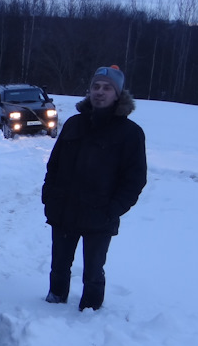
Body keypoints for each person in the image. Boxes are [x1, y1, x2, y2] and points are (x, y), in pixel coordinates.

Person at [42, 65, 147, 310]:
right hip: (64, 212)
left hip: (100, 217)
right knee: (59, 265)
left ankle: (89, 312)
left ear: (118, 94)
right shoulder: (74, 124)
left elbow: (135, 180)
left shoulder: (131, 133)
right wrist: (50, 197)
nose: (100, 92)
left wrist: (113, 210)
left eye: (107, 88)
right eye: (96, 87)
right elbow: (54, 165)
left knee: (93, 270)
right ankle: (54, 303)